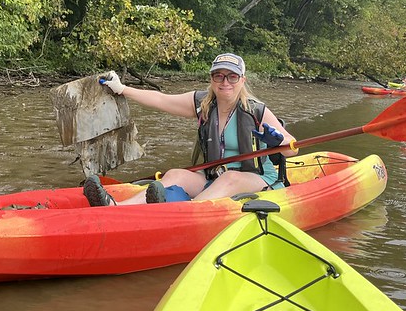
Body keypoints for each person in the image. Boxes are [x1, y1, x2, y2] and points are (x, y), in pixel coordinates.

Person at [83, 53, 298, 206]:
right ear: (212, 79)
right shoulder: (202, 104)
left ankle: (185, 212)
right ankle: (117, 208)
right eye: (219, 76)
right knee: (176, 174)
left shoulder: (256, 111)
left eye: (232, 77)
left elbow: (292, 149)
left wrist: (277, 141)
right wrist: (122, 89)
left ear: (242, 80)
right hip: (215, 177)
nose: (225, 82)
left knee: (229, 178)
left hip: (257, 178)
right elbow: (161, 99)